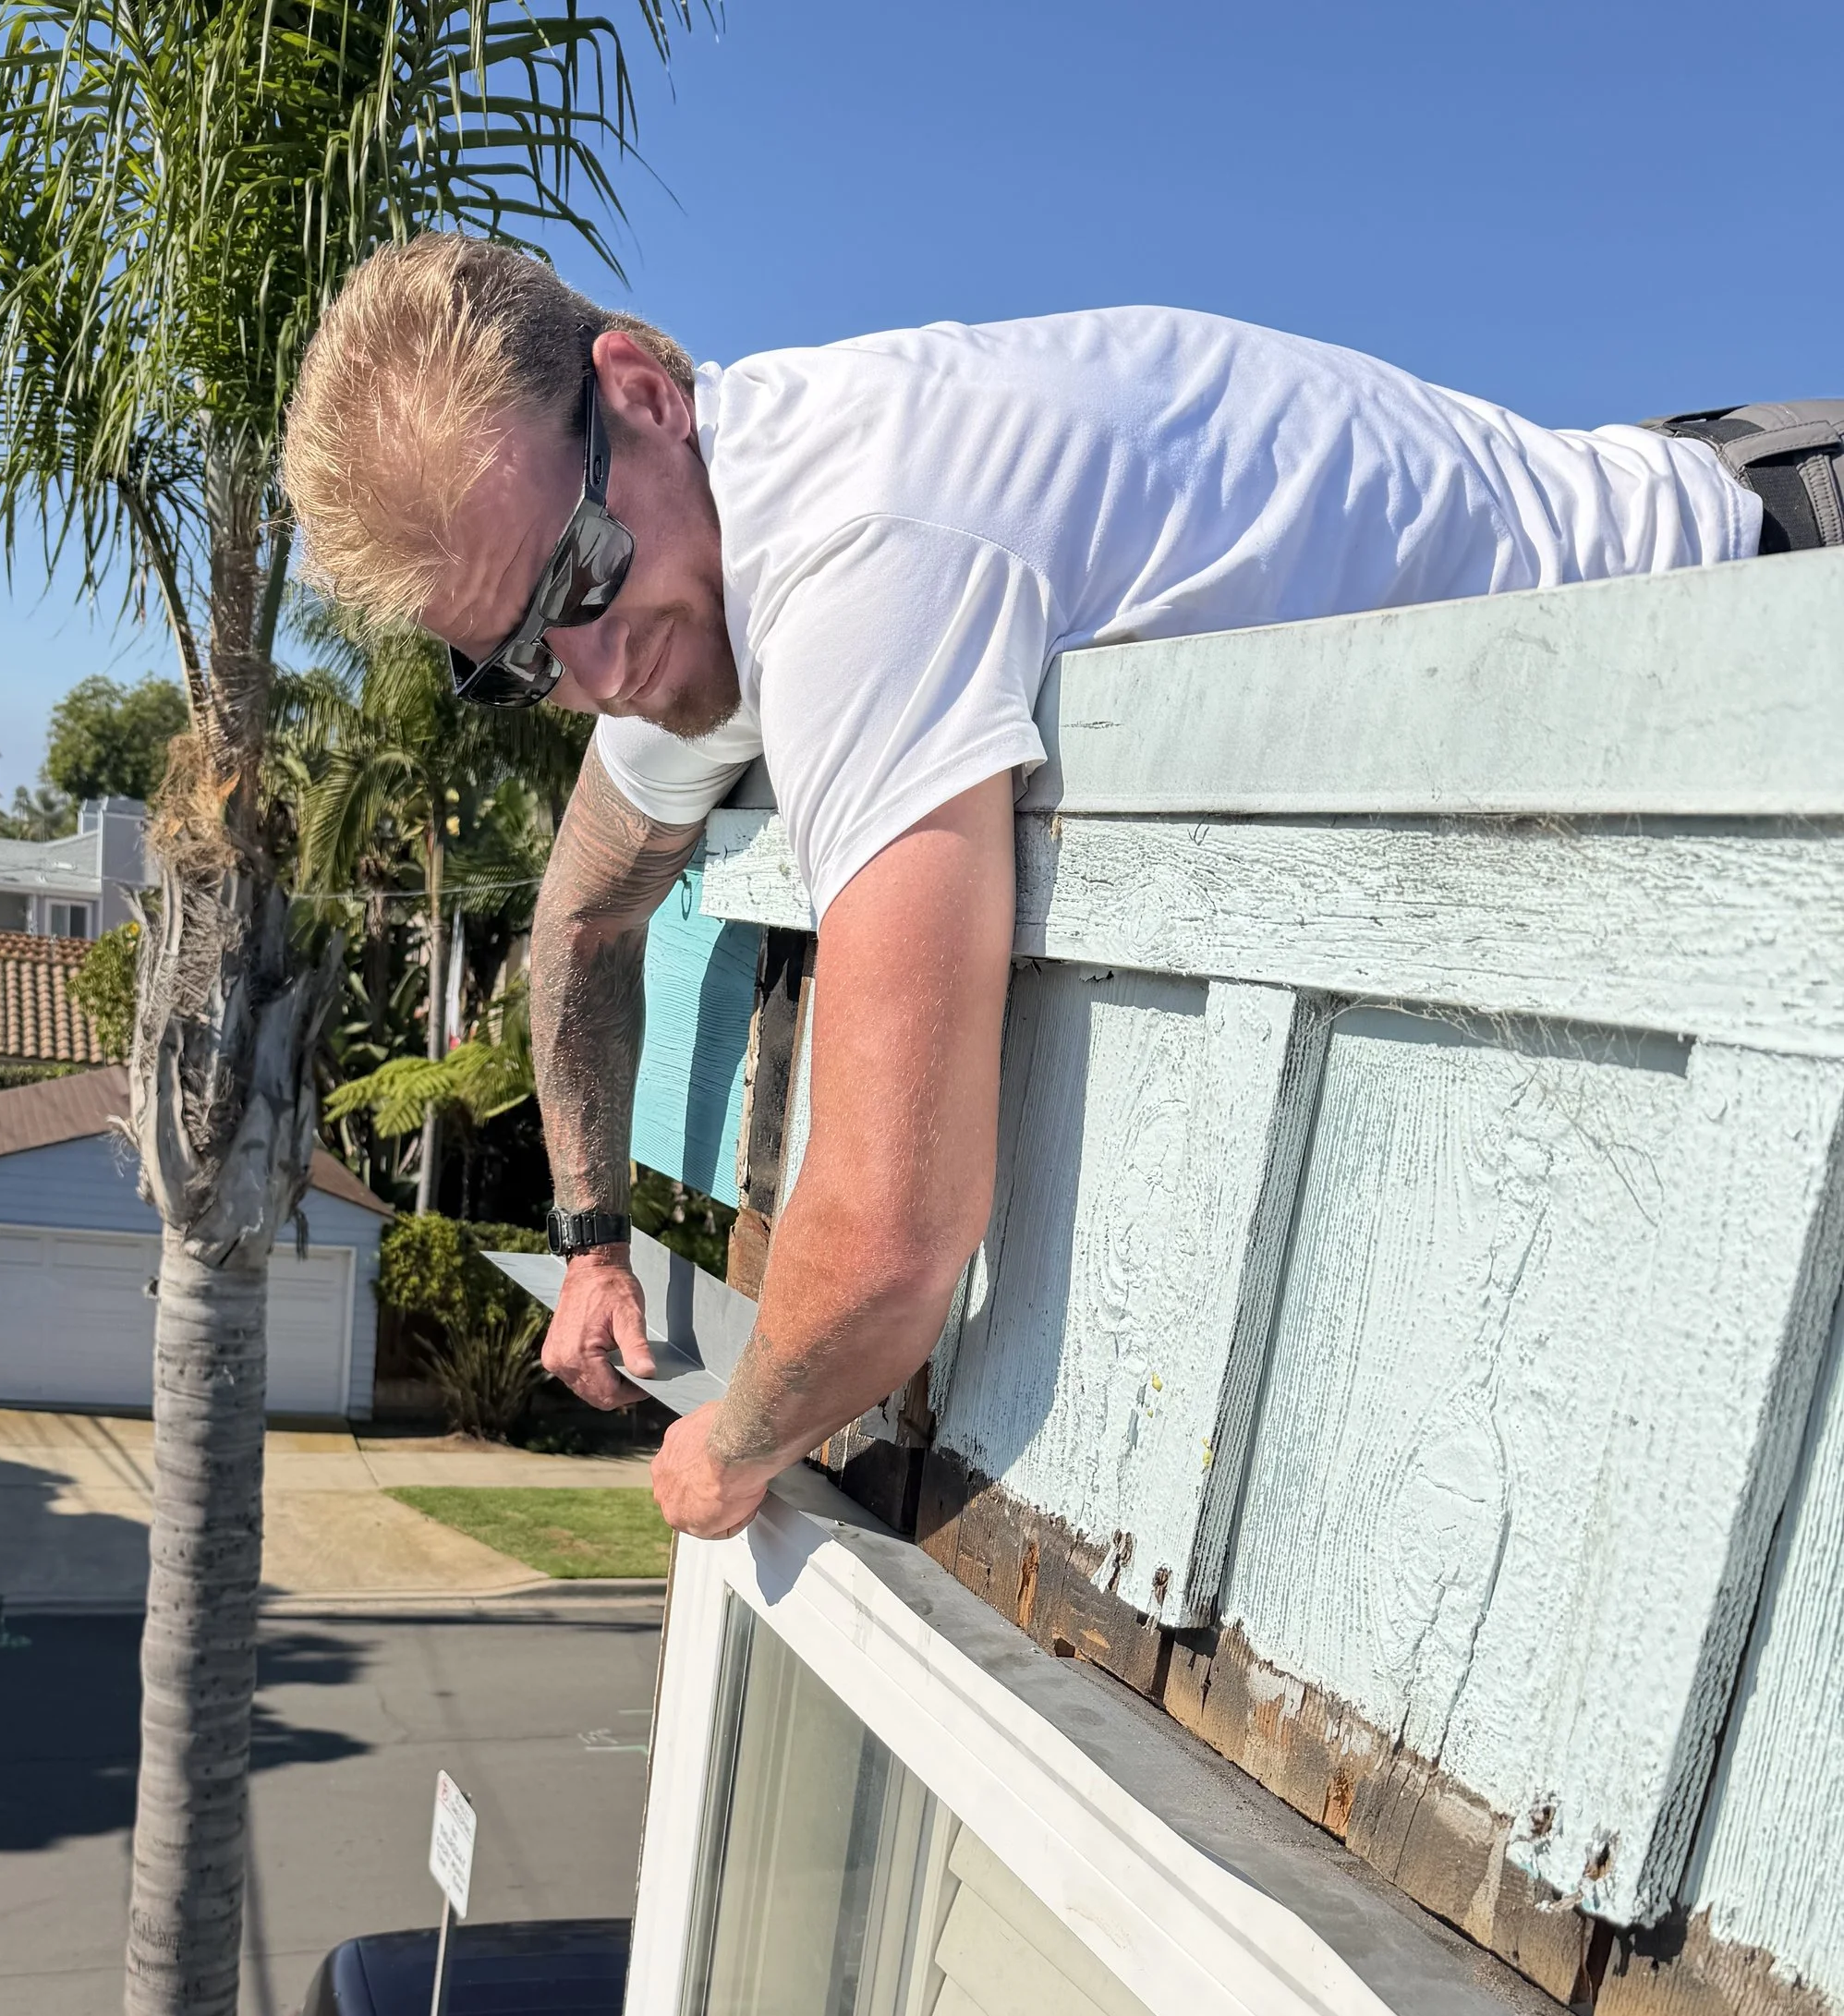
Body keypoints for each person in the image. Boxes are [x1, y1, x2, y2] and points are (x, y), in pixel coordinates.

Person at [285, 239, 1829, 1537]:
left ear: (642, 393)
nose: (595, 667)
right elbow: (581, 919)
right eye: (513, 662)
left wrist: (730, 1447)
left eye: (576, 577)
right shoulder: (685, 567)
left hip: (1765, 596)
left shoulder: (855, 549)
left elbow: (890, 1242)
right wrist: (592, 1243)